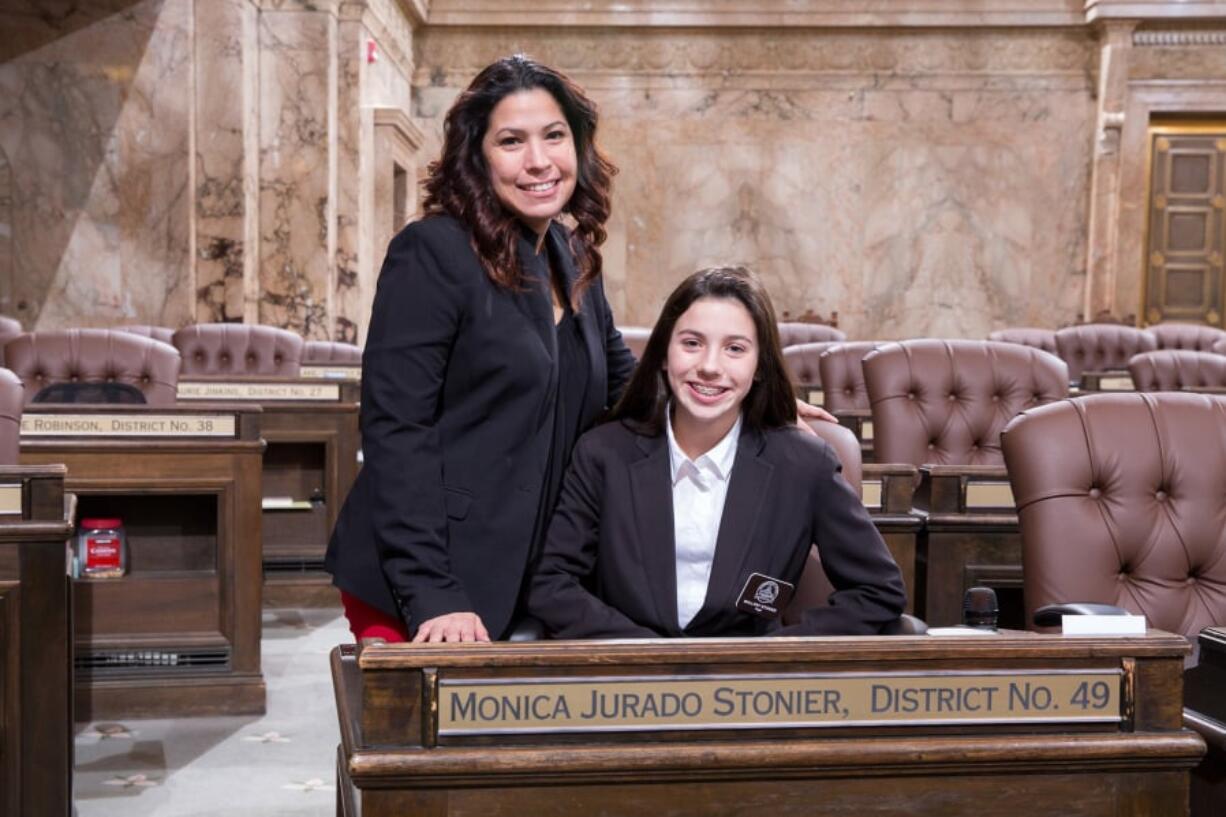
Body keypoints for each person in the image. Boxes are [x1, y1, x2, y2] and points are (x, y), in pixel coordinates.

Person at [324, 55, 638, 643]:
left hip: (528, 573)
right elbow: (397, 431)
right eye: (511, 141)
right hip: (424, 573)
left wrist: (748, 402)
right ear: (477, 156)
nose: (539, 161)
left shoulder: (569, 254)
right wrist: (431, 592)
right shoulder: (433, 251)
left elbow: (626, 385)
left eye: (554, 136)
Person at [526, 266, 906, 638]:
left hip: (753, 690)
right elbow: (552, 585)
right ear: (663, 354)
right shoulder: (602, 453)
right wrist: (647, 657)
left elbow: (878, 590)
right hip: (630, 685)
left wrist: (778, 655)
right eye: (691, 343)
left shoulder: (805, 464)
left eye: (735, 349)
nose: (709, 367)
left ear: (759, 366)